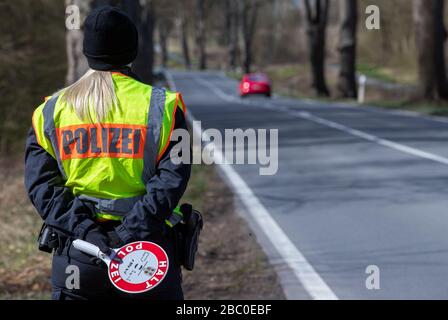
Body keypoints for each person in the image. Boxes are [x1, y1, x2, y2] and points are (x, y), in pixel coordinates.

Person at [24, 6, 191, 300]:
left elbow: (42, 187)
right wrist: (128, 233)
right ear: (133, 49)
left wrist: (88, 232)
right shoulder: (163, 106)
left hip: (78, 256)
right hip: (147, 257)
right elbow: (171, 180)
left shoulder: (50, 111)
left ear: (87, 51)